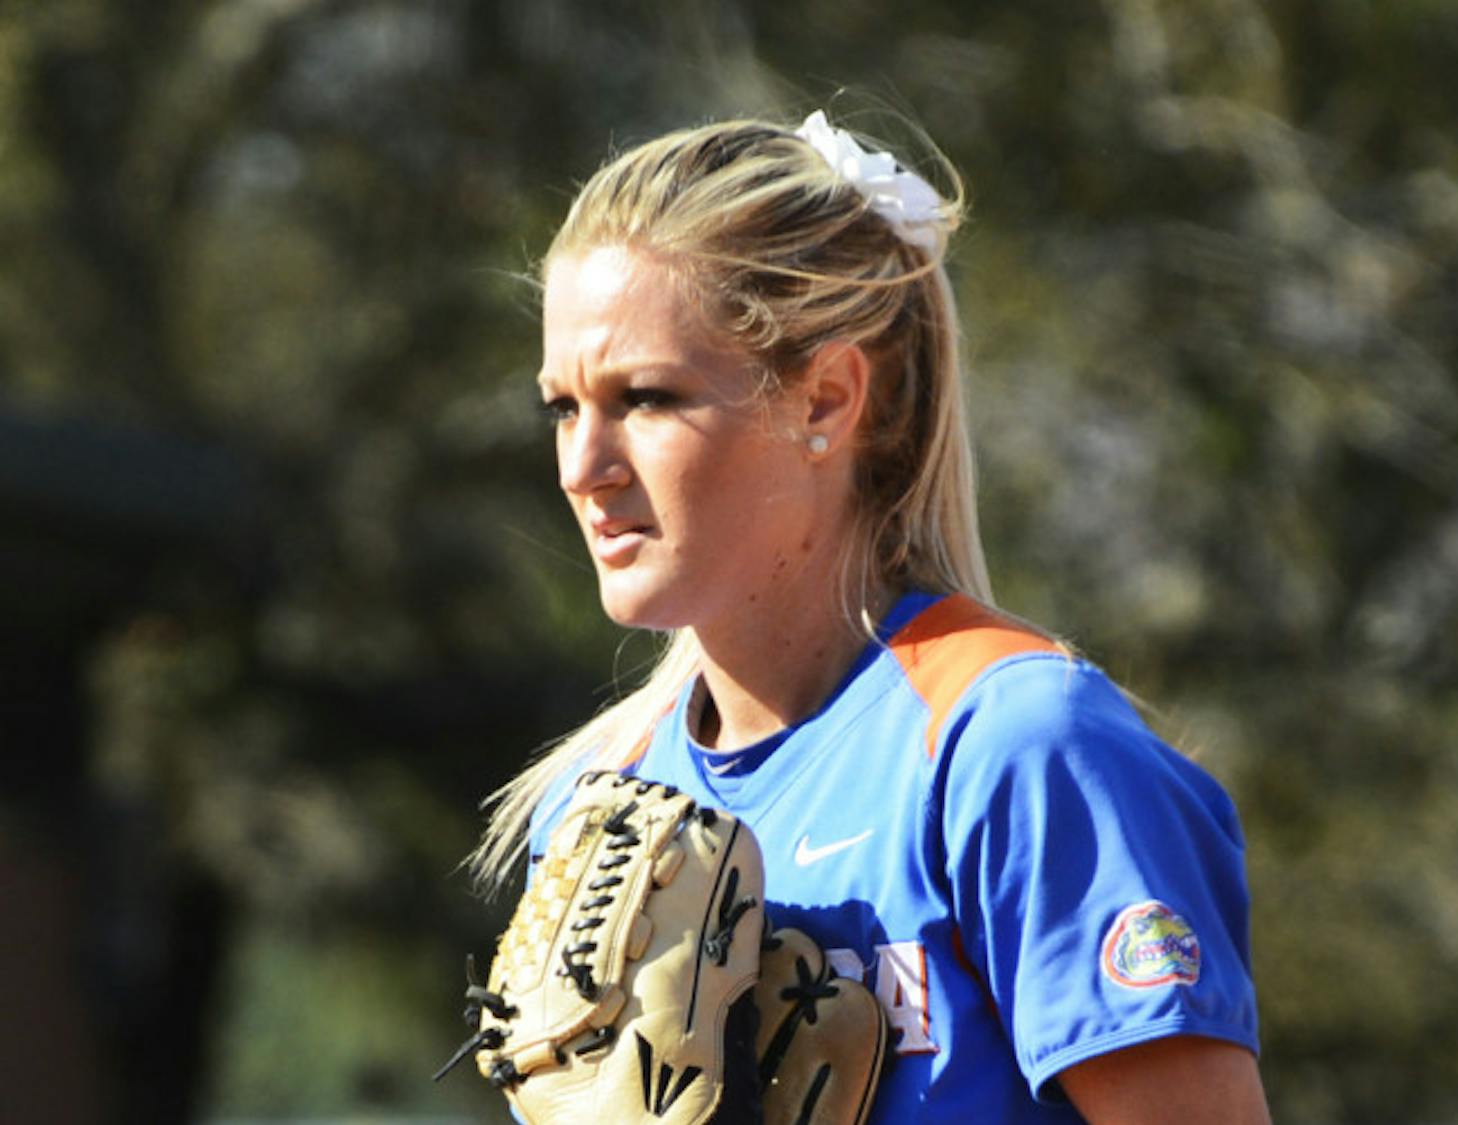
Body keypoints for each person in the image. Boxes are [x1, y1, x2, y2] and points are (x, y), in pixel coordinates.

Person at [471, 109, 1271, 1123]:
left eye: (648, 398)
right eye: (563, 407)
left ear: (825, 400)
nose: (585, 466)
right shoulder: (601, 808)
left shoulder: (1012, 747)